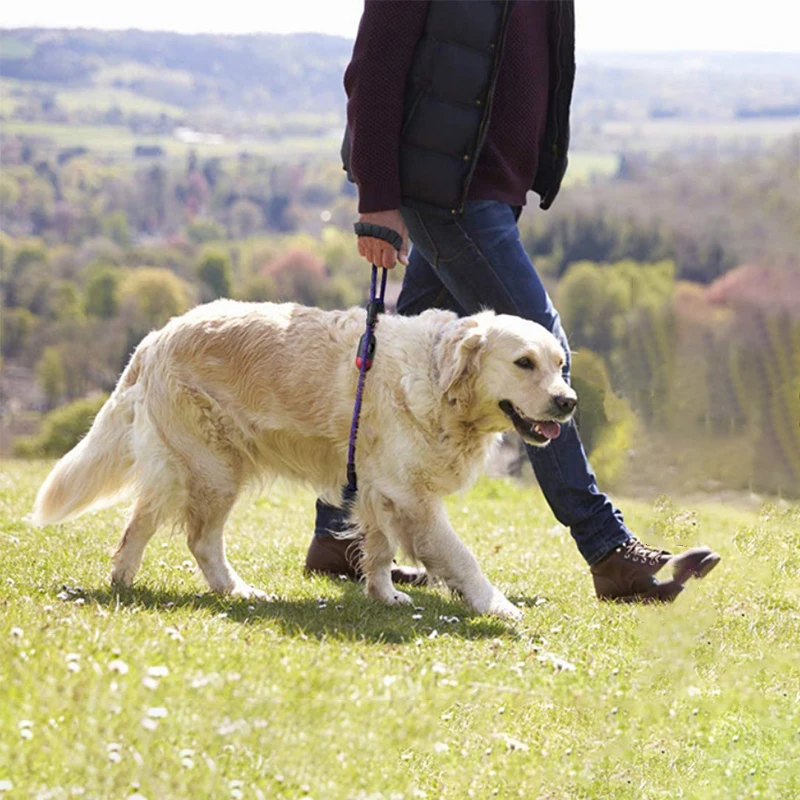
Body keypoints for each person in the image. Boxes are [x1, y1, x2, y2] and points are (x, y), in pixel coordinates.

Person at [304, 0, 720, 602]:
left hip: (487, 190)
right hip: (446, 191)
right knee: (541, 351)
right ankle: (610, 552)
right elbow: (376, 66)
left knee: (397, 367)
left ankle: (340, 538)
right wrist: (377, 197)